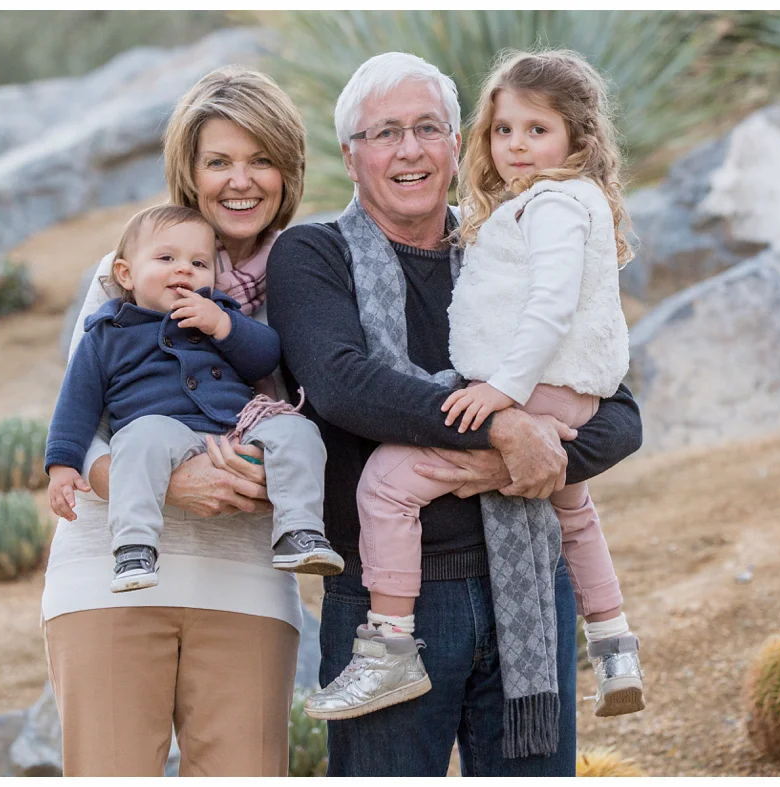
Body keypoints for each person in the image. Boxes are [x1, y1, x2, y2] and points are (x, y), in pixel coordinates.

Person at [267, 51, 644, 776]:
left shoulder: (512, 241)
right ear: (350, 156)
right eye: (384, 133)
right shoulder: (312, 255)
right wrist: (507, 432)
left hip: (529, 589)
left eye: (427, 127)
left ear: (453, 141)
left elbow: (619, 414)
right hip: (387, 604)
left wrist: (535, 451)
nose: (409, 149)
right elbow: (348, 386)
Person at [41, 66, 319, 775]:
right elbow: (84, 419)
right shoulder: (131, 271)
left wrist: (259, 477)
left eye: (261, 159)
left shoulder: (308, 277)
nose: (241, 180)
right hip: (110, 580)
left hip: (248, 585)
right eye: (219, 160)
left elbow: (318, 417)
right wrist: (169, 481)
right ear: (189, 172)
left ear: (288, 170)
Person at [44, 204, 341, 592]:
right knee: (138, 437)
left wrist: (223, 325)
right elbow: (75, 403)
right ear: (125, 274)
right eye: (166, 258)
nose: (184, 269)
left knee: (297, 431)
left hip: (234, 431)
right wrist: (61, 465)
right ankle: (134, 545)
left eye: (199, 263)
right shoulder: (107, 334)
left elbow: (265, 359)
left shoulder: (220, 315)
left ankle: (299, 531)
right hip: (162, 433)